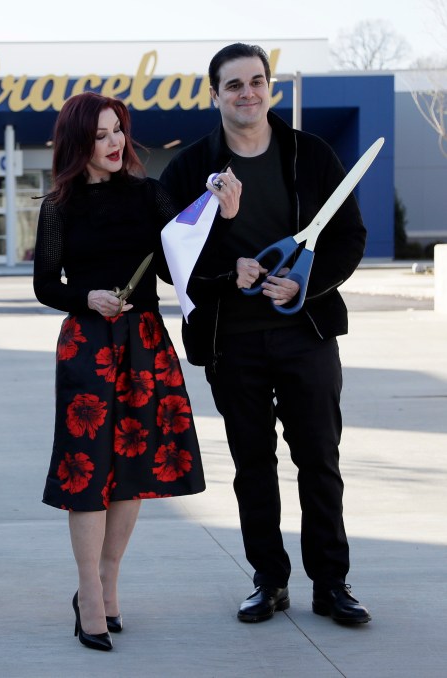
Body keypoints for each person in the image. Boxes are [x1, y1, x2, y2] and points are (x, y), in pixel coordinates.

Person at [159, 43, 371, 625]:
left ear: (269, 88)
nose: (247, 93)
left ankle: (331, 584)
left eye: (257, 81)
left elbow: (350, 237)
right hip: (233, 340)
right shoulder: (187, 168)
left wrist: (307, 285)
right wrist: (231, 270)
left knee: (319, 461)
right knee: (253, 465)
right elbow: (168, 260)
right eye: (234, 85)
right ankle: (269, 581)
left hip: (306, 334)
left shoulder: (311, 155)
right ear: (215, 95)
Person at [33, 92, 205, 652]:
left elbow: (189, 249)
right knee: (88, 470)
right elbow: (45, 285)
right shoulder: (58, 205)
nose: (114, 144)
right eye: (102, 134)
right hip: (87, 343)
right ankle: (87, 590)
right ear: (78, 142)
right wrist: (88, 298)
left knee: (133, 465)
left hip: (145, 342)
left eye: (118, 132)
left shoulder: (150, 195)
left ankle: (107, 581)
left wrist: (219, 208)